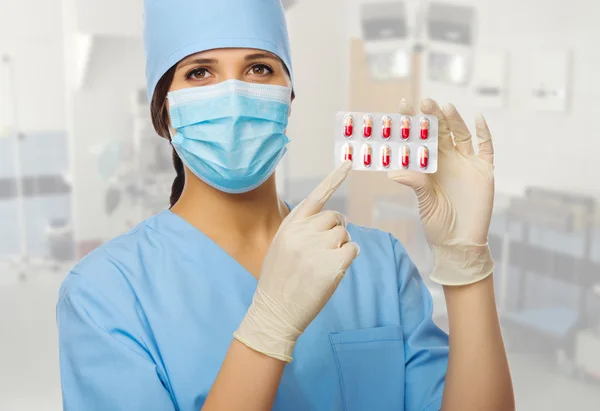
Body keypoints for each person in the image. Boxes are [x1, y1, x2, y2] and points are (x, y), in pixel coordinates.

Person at [56, 0, 515, 410]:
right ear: (164, 112)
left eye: (259, 68)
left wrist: (465, 262)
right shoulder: (105, 294)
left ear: (288, 98)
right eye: (199, 72)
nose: (234, 96)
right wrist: (266, 330)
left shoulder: (377, 264)